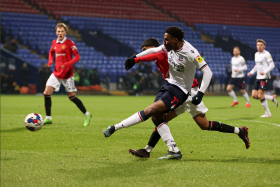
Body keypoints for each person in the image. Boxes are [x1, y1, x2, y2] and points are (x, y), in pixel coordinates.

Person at [126, 39, 249, 159]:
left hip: (190, 92)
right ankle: (148, 150)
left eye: (145, 50)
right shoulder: (165, 55)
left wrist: (135, 58)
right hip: (179, 92)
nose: (144, 52)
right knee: (161, 119)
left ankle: (240, 131)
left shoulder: (163, 54)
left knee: (202, 124)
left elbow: (153, 54)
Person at [103, 27, 214, 160]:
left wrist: (200, 93)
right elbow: (155, 49)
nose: (164, 42)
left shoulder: (190, 52)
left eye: (166, 40)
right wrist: (134, 57)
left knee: (151, 110)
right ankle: (172, 150)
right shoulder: (168, 47)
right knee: (156, 117)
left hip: (181, 91)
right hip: (169, 85)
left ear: (175, 40)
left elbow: (208, 72)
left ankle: (115, 128)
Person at [43, 23, 92, 126]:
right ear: (56, 32)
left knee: (71, 96)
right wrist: (50, 61)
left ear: (65, 32)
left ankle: (87, 114)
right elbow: (51, 52)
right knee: (47, 93)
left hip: (67, 74)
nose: (60, 33)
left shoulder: (70, 43)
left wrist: (67, 64)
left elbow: (77, 57)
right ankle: (48, 118)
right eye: (58, 31)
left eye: (62, 31)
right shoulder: (54, 42)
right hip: (56, 72)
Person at [247, 39, 278, 118]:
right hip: (258, 77)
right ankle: (271, 97)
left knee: (260, 95)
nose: (259, 46)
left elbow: (272, 65)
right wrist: (251, 72)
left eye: (261, 45)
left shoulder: (267, 54)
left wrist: (265, 71)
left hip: (264, 77)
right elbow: (256, 66)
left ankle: (268, 113)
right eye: (258, 45)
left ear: (264, 46)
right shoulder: (256, 54)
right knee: (254, 95)